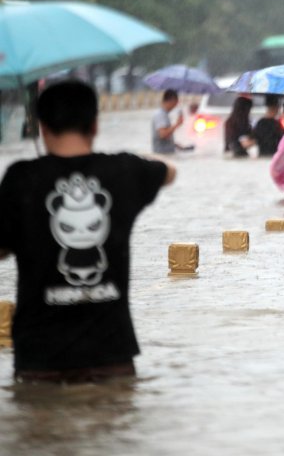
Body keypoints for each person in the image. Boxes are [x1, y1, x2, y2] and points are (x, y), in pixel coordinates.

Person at [0, 80, 176, 383]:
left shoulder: (21, 178)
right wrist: (135, 157)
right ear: (95, 124)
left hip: (40, 359)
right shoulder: (122, 171)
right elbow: (169, 171)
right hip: (111, 357)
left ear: (41, 126)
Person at [151, 89, 187, 154]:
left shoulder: (164, 114)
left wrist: (174, 144)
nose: (176, 105)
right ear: (172, 100)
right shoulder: (160, 115)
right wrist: (177, 124)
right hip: (162, 155)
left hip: (167, 153)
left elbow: (165, 136)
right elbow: (163, 134)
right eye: (176, 102)